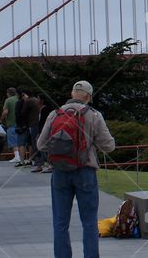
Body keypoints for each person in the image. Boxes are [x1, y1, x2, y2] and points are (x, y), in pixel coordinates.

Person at [37, 80, 115, 258]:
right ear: (88, 97)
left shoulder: (54, 114)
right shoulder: (94, 115)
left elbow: (41, 144)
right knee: (89, 222)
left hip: (59, 173)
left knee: (60, 222)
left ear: (72, 94)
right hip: (85, 172)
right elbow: (109, 146)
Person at [0, 87, 21, 162]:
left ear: (8, 93)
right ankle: (21, 156)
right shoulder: (19, 99)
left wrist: (1, 119)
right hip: (21, 123)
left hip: (11, 123)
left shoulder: (8, 100)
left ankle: (17, 156)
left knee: (13, 140)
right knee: (20, 141)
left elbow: (5, 112)